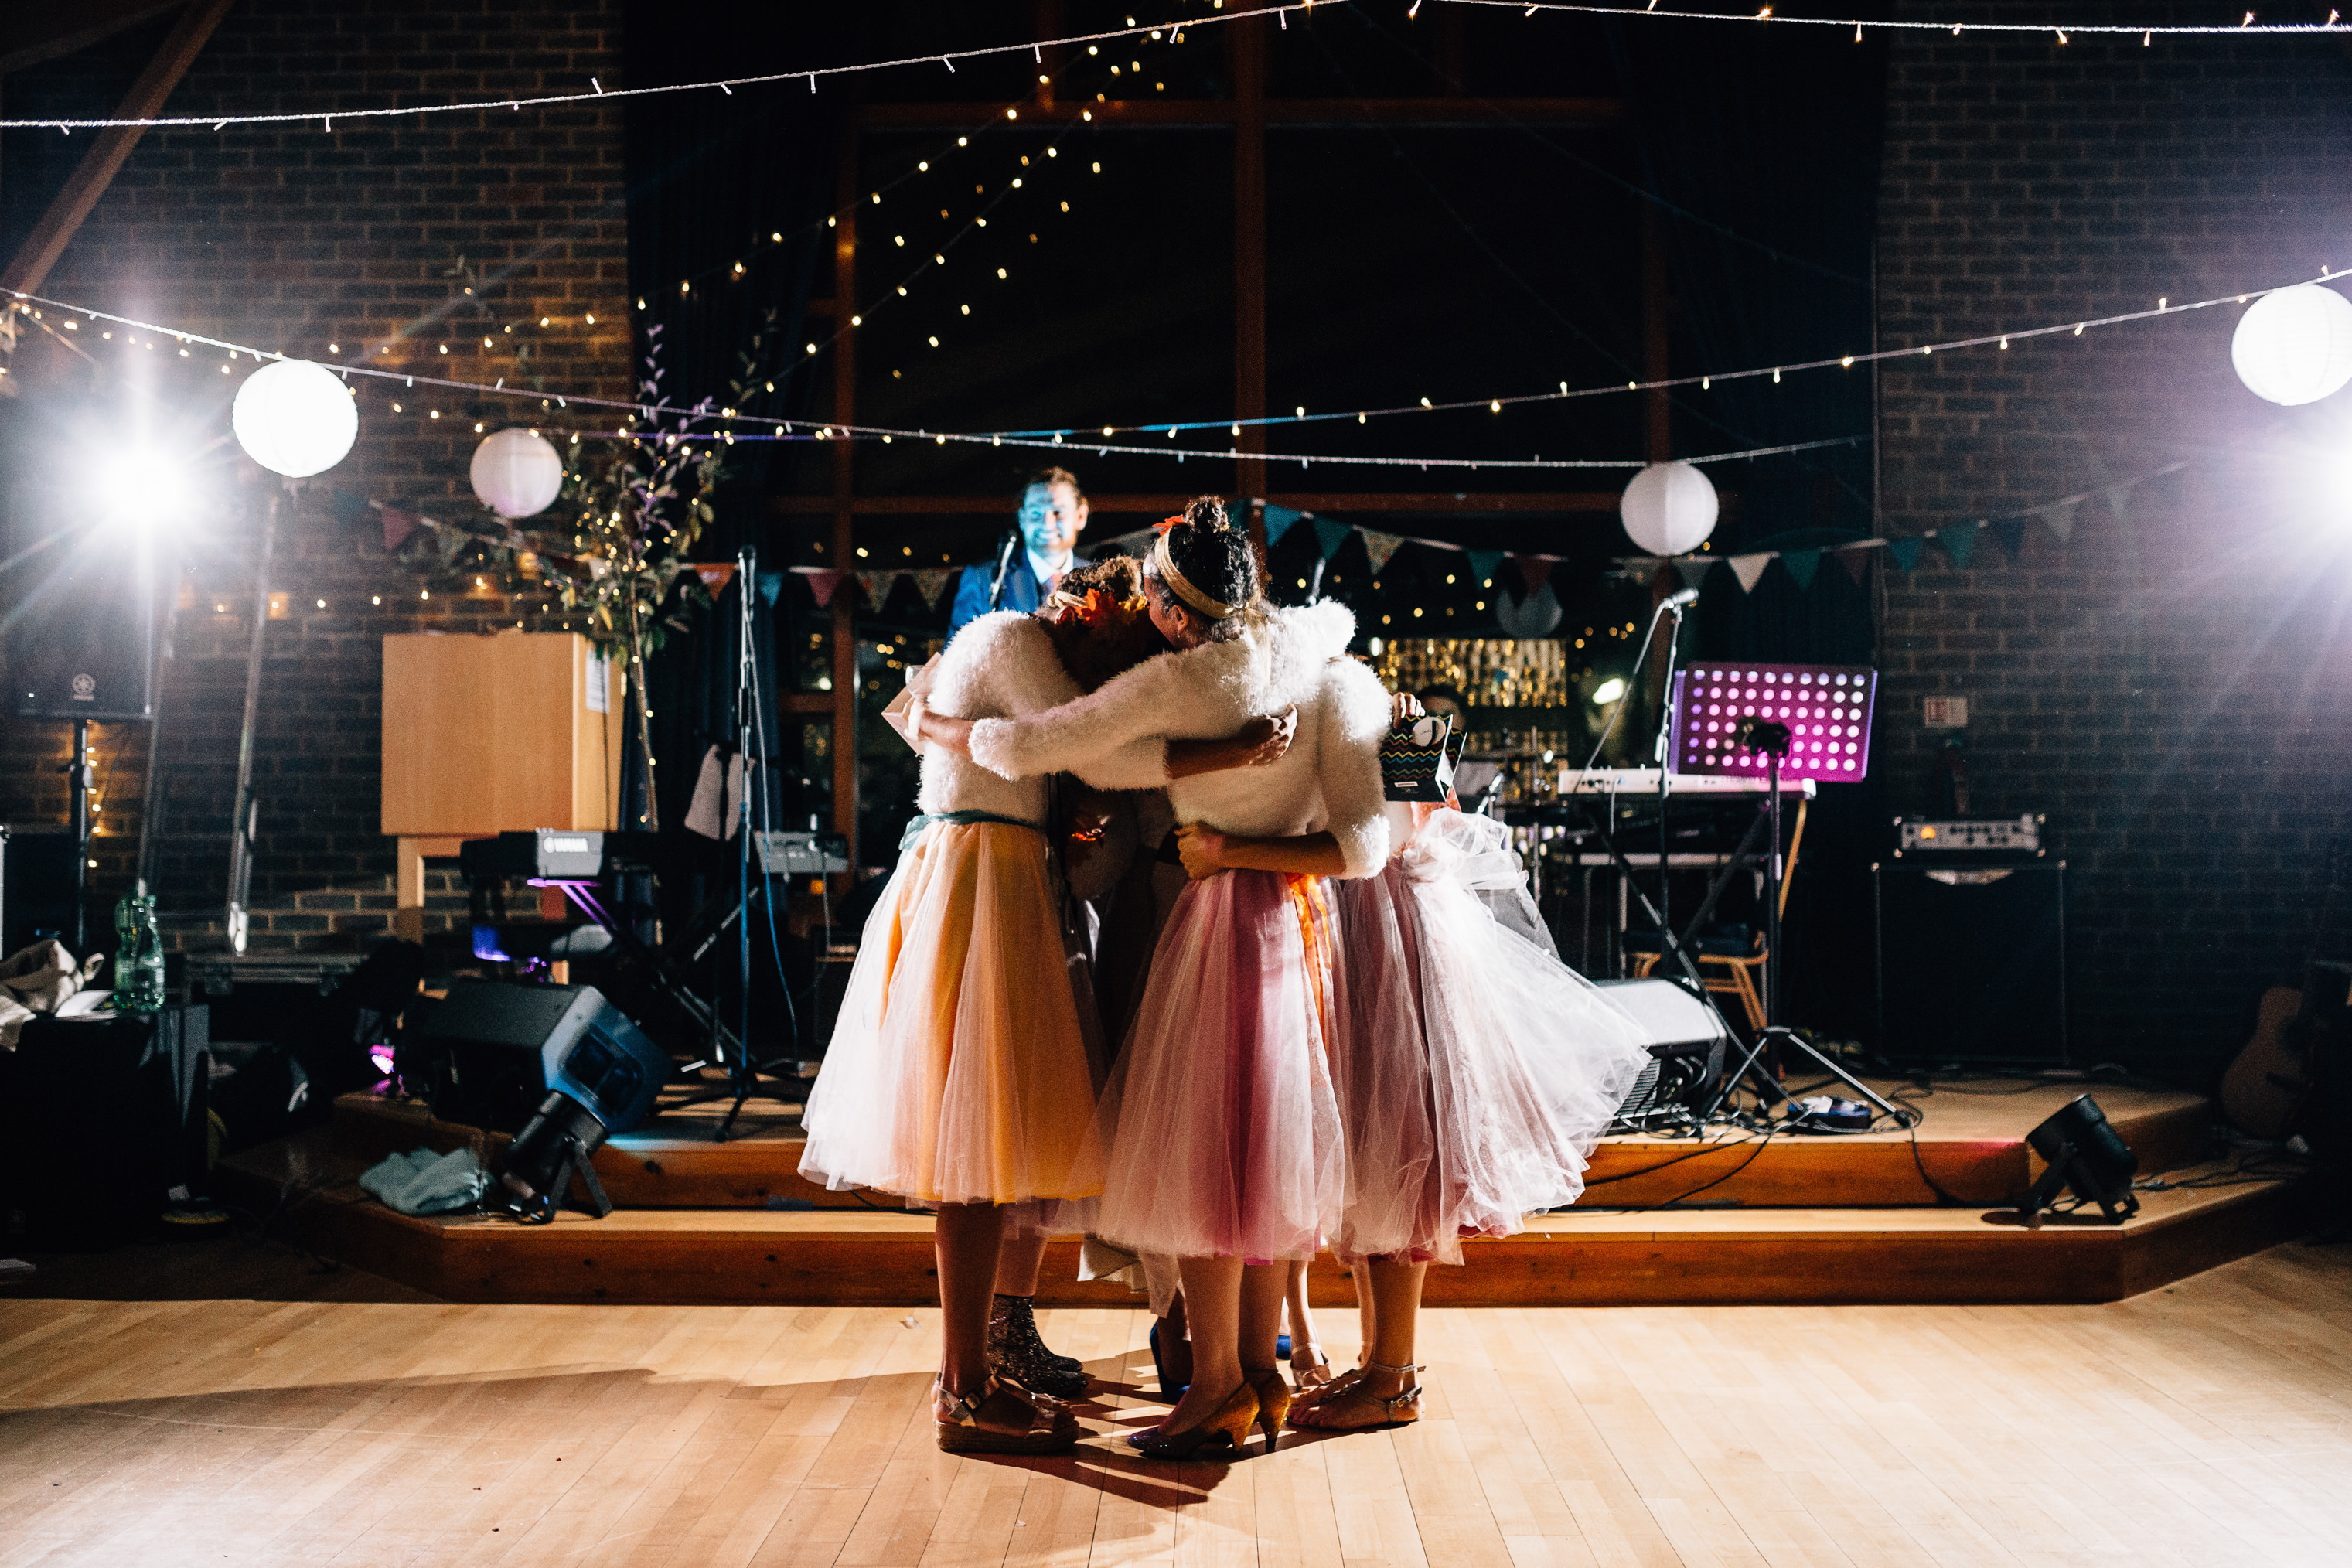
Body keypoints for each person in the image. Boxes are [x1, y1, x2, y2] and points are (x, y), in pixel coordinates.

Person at [936, 498, 1392, 1461]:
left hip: (1218, 917)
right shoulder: (1324, 657)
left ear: (1171, 607)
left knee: (1207, 1153)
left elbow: (1042, 743)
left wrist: (957, 735)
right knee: (1274, 1150)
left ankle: (1218, 1384)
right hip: (1304, 927)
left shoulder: (1186, 683)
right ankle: (1264, 1371)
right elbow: (1362, 844)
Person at [1273, 793, 1652, 1433]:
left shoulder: (1355, 716)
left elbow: (1378, 830)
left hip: (1380, 921)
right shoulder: (1387, 721)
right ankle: (1380, 1365)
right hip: (1381, 913)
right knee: (1379, 1153)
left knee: (1397, 1150)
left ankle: (1393, 1377)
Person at [948, 466, 1089, 636]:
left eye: (1058, 512)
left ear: (1081, 516)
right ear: (1022, 518)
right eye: (1036, 513)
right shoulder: (983, 580)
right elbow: (956, 656)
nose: (1047, 523)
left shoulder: (1099, 580)